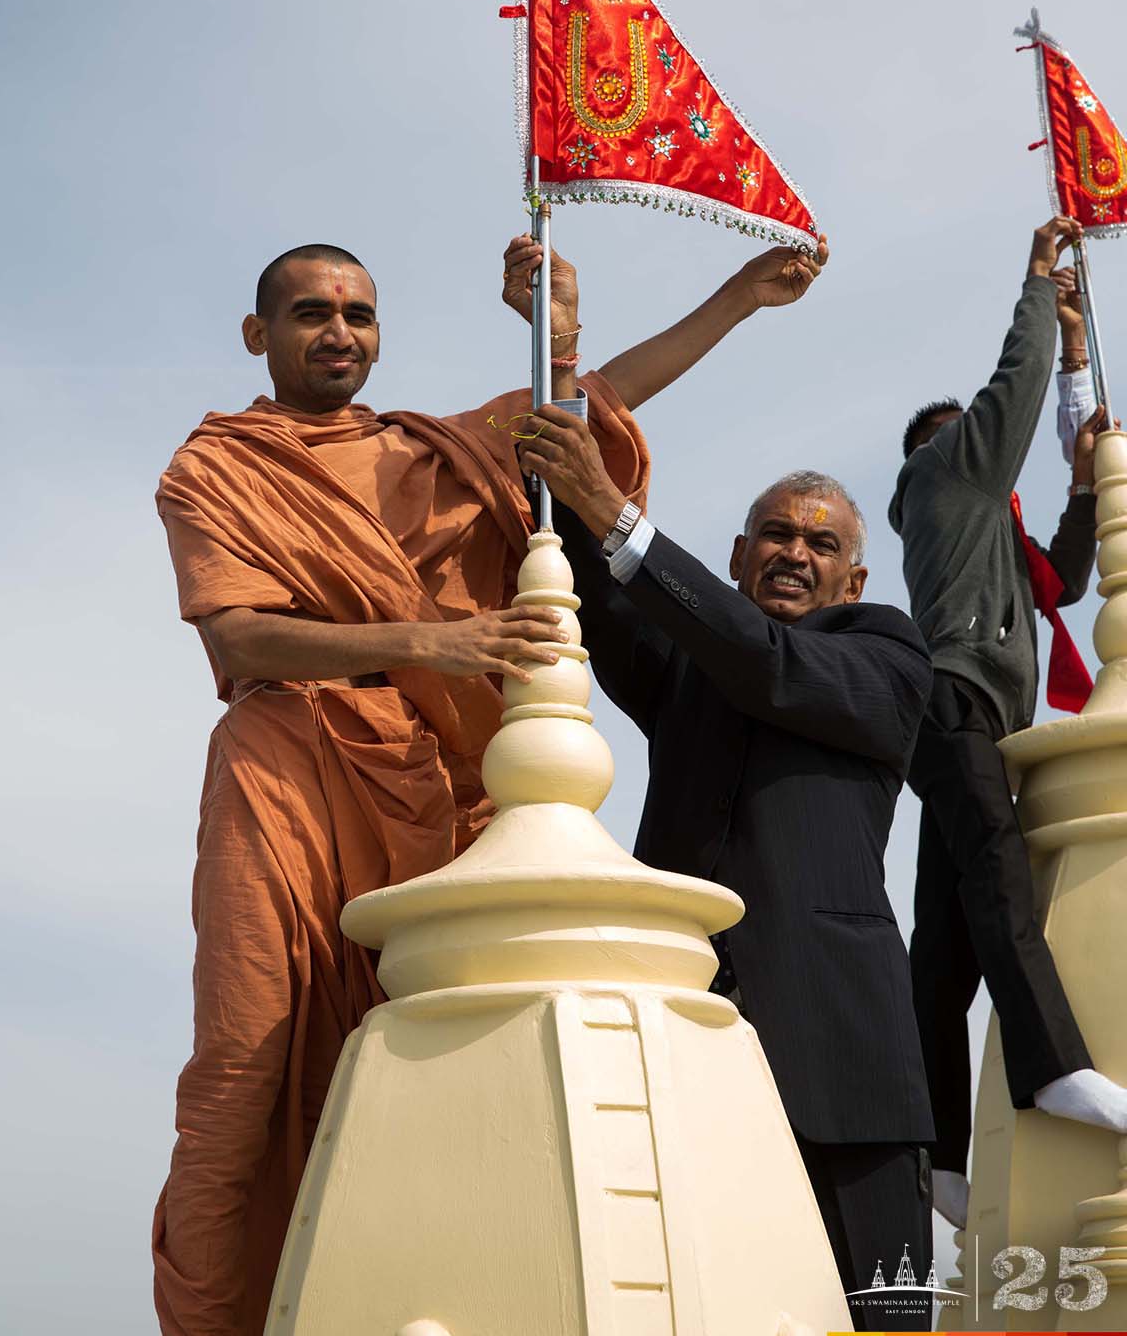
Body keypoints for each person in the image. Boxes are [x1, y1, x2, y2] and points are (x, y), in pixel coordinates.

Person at [153, 230, 826, 1336]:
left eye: (359, 314)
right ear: (257, 335)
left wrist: (737, 297)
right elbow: (238, 634)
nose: (339, 333)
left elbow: (591, 405)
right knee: (247, 1052)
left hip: (428, 777)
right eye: (313, 313)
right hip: (285, 768)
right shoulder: (219, 468)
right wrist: (435, 639)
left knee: (425, 1032)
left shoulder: (436, 451)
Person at [520, 414, 936, 1329]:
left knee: (885, 1318)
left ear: (854, 579)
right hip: (684, 1049)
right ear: (739, 554)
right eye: (777, 536)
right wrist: (563, 356)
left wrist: (614, 508)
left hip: (847, 1078)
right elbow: (584, 567)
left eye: (820, 543)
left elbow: (768, 663)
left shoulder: (889, 656)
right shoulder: (688, 666)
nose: (796, 553)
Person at [890, 215, 1127, 1232]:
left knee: (942, 945)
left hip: (967, 713)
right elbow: (1013, 395)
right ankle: (1053, 1068)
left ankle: (940, 1152)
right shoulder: (938, 477)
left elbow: (1065, 581)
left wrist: (1086, 481)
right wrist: (1040, 293)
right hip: (952, 699)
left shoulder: (993, 536)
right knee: (998, 879)